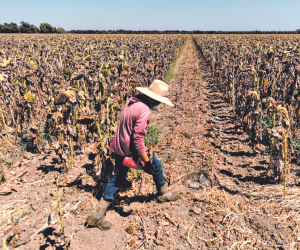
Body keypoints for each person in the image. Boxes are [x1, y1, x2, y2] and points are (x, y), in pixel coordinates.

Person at [86, 80, 180, 230]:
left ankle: (97, 215)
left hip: (118, 147)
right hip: (129, 150)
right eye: (160, 102)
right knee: (156, 165)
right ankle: (164, 193)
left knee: (117, 179)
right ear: (155, 100)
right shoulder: (145, 111)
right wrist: (146, 162)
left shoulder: (132, 101)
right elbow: (137, 140)